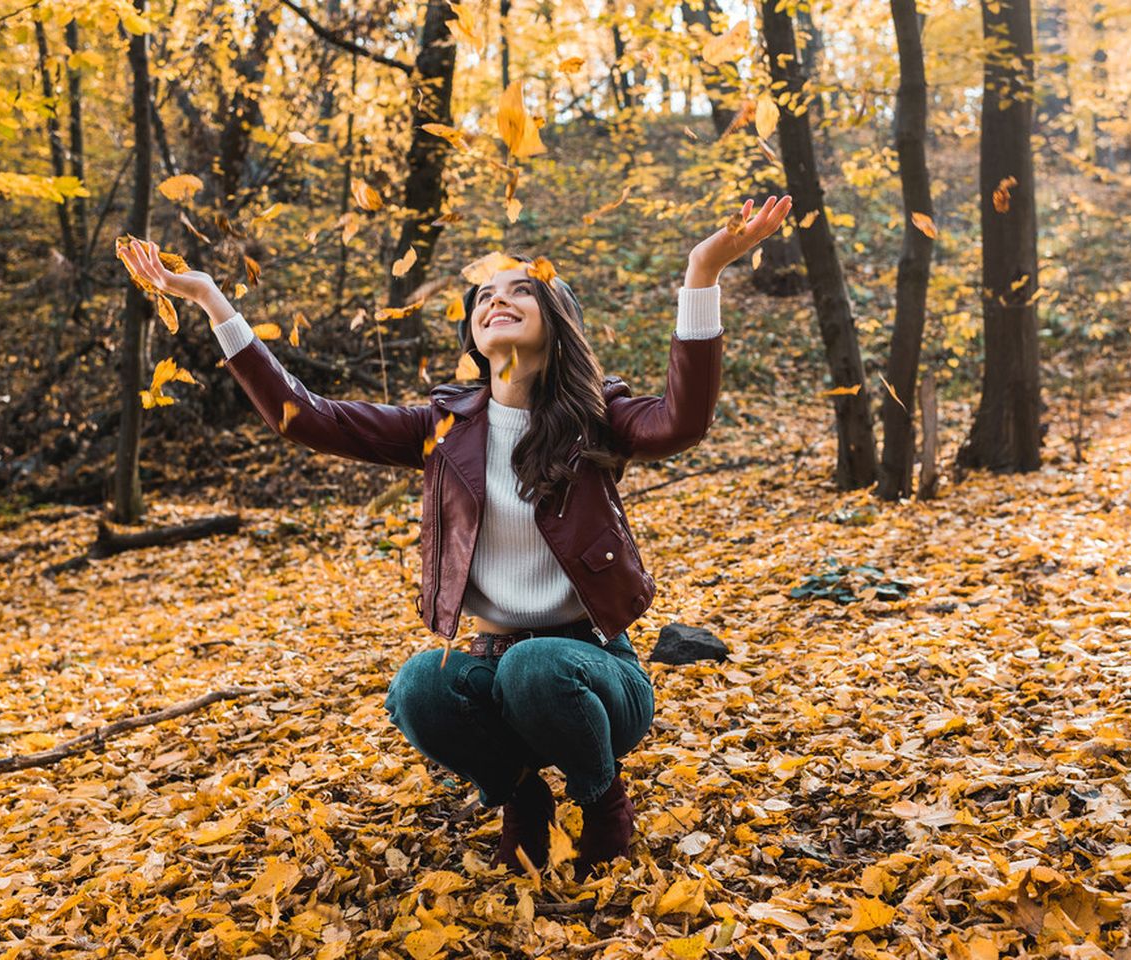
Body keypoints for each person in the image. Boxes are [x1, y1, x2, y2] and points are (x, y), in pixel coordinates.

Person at [117, 192, 793, 881]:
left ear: (554, 322)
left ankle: (601, 795)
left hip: (600, 673)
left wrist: (703, 271)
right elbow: (305, 417)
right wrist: (210, 301)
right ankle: (521, 793)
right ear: (473, 337)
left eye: (520, 291)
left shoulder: (597, 416)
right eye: (484, 297)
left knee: (538, 667)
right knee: (418, 684)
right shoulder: (441, 429)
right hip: (497, 669)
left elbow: (683, 420)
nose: (497, 300)